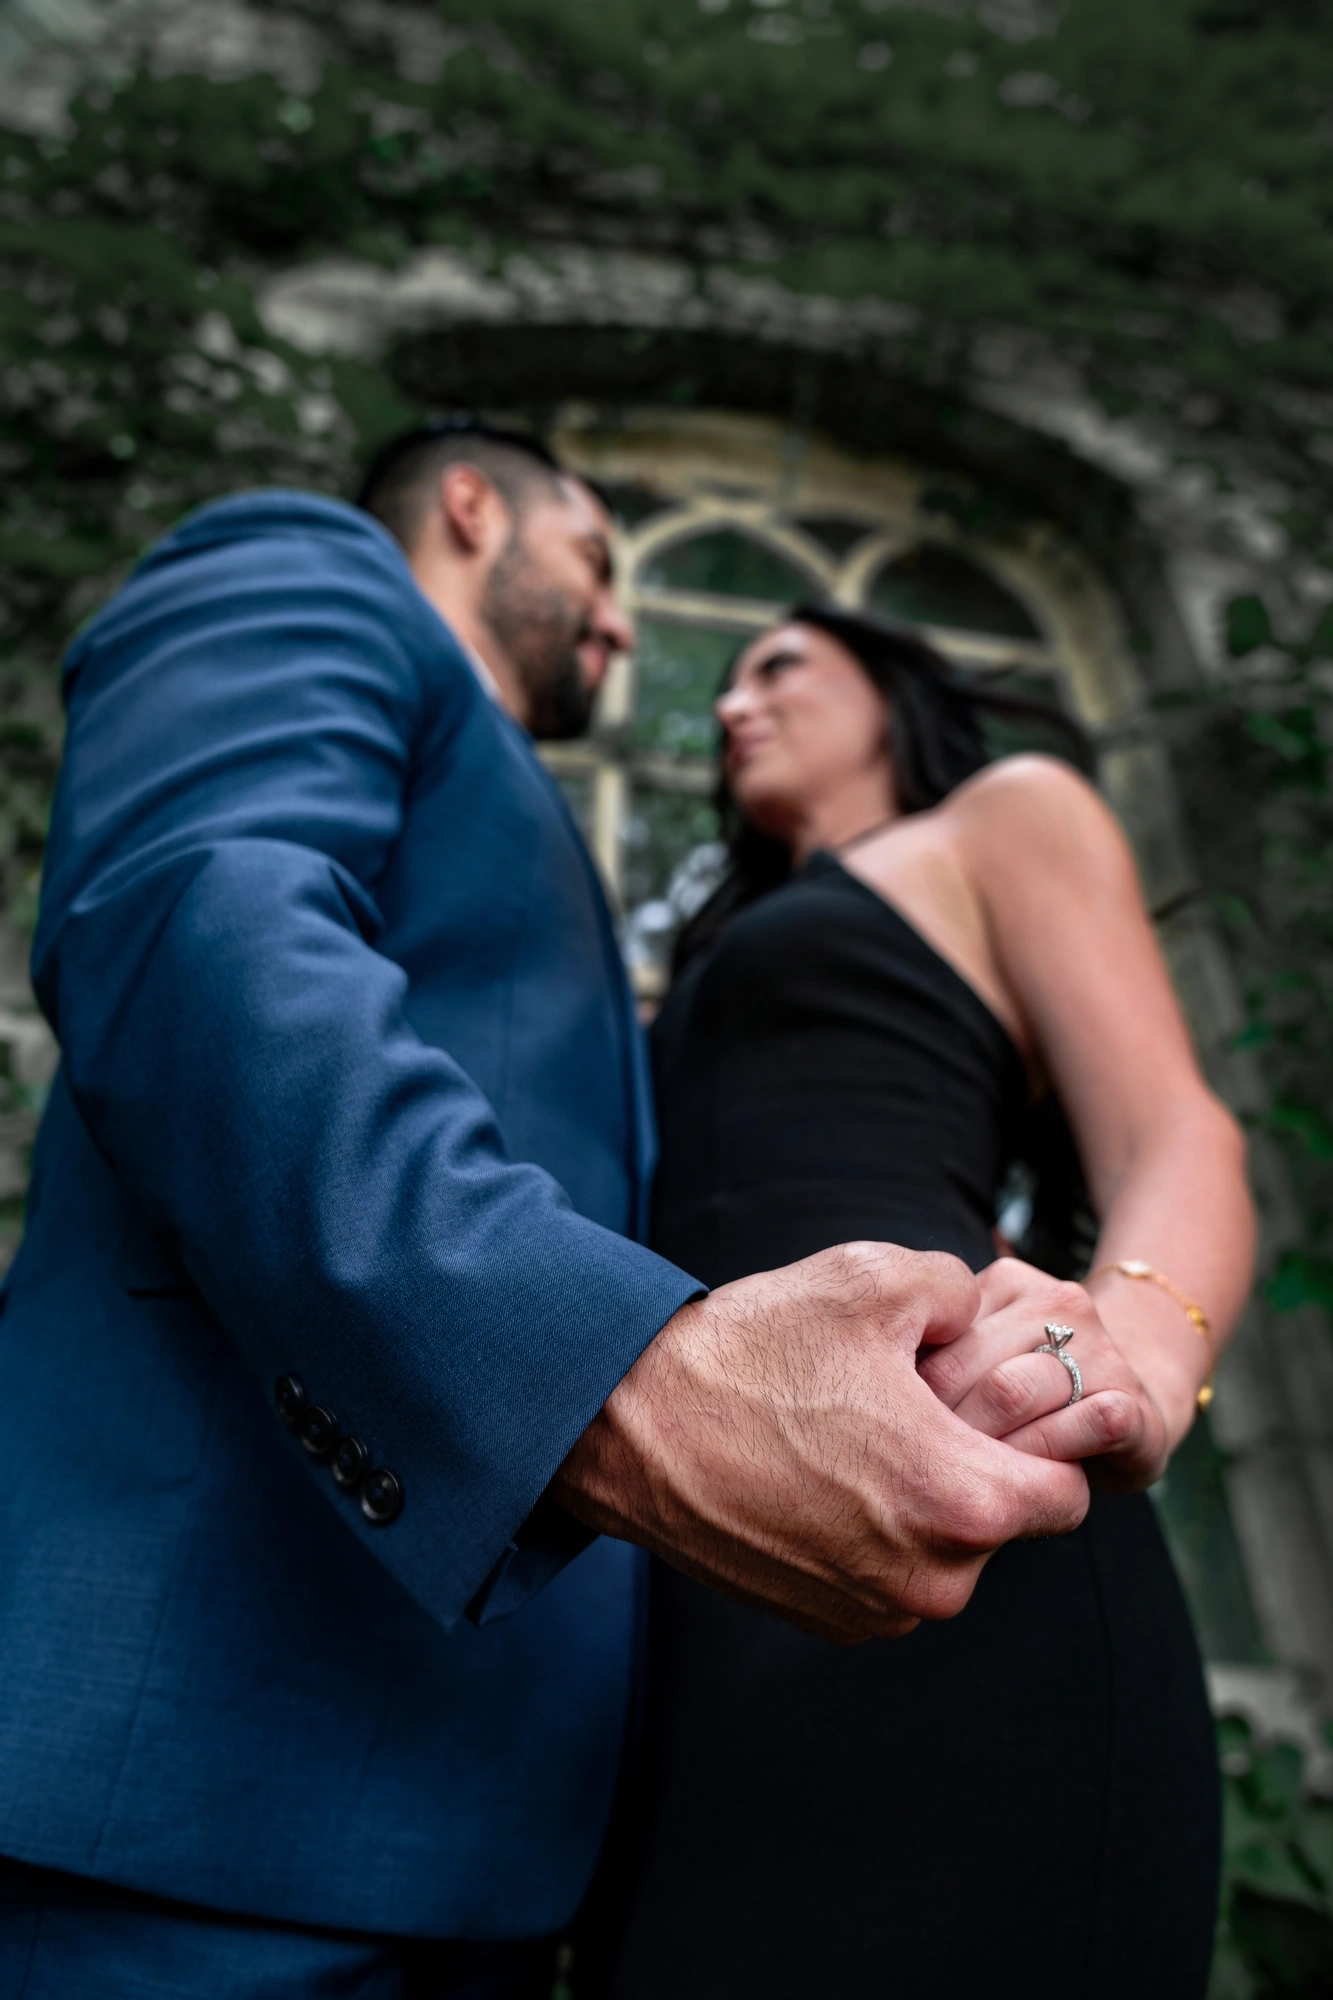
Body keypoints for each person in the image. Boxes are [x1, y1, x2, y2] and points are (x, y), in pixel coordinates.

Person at [0, 431, 1092, 1999]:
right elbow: (201, 929)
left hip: (514, 1858)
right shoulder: (305, 569)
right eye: (596, 555)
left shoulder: (570, 869)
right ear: (470, 506)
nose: (628, 623)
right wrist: (621, 1385)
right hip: (190, 1781)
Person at [609, 606, 1255, 2000]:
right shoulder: (712, 944)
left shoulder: (1002, 821)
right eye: (722, 687)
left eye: (777, 667)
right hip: (699, 1559)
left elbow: (1177, 1133)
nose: (732, 708)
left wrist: (1128, 1355)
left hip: (963, 1494)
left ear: (891, 689)